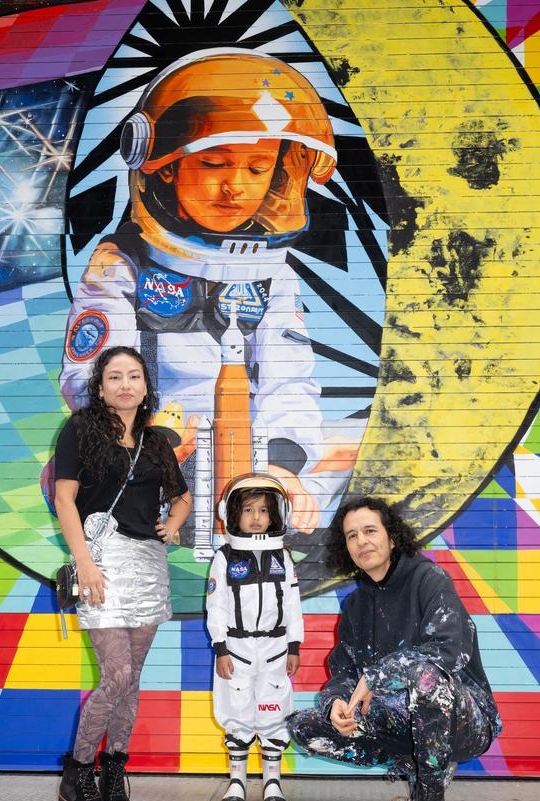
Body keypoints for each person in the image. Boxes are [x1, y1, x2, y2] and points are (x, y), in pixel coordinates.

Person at [59, 47, 358, 535]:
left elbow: (290, 383)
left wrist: (283, 464)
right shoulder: (121, 266)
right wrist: (152, 437)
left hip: (255, 456)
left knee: (351, 461)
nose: (236, 187)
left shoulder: (274, 273)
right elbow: (87, 380)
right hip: (154, 451)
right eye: (216, 163)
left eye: (258, 168)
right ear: (165, 165)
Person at [287, 497, 501, 801]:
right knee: (305, 726)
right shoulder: (355, 606)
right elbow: (342, 670)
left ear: (393, 538)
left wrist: (376, 677)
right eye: (352, 536)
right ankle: (423, 774)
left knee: (426, 679)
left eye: (370, 531)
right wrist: (337, 702)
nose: (361, 541)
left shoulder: (428, 579)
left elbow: (448, 651)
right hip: (404, 719)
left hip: (465, 719)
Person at [54, 346, 192, 801]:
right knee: (114, 676)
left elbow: (182, 497)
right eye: (115, 376)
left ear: (145, 386)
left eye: (134, 376)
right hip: (102, 561)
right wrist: (85, 563)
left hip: (148, 565)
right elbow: (64, 499)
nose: (126, 384)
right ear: (100, 385)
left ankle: (114, 772)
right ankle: (78, 773)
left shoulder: (155, 442)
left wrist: (172, 524)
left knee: (131, 681)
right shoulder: (80, 430)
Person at [206, 473, 303, 801]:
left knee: (273, 708)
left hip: (275, 647)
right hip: (237, 648)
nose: (256, 517)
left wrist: (294, 646)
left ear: (277, 515)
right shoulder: (226, 557)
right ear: (232, 514)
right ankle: (237, 779)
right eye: (248, 510)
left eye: (263, 510)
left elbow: (292, 605)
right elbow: (215, 606)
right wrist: (220, 647)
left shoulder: (283, 558)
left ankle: (272, 779)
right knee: (237, 709)